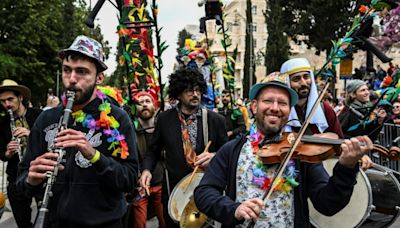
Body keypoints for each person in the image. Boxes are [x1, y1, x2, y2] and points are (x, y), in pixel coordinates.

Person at [194, 74, 373, 227]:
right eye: (268, 101)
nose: (275, 107)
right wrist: (234, 209)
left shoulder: (300, 152)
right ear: (254, 106)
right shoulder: (232, 150)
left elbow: (328, 204)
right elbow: (204, 192)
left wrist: (346, 168)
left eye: (282, 103)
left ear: (289, 110)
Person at [17, 35, 139, 227]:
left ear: (99, 77)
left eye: (81, 72)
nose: (72, 79)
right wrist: (30, 180)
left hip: (104, 223)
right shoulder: (46, 118)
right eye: (67, 70)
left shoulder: (118, 119)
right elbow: (22, 180)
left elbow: (130, 180)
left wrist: (94, 155)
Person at [139, 68, 228, 227]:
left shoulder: (215, 120)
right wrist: (146, 171)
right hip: (174, 192)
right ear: (178, 94)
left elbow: (228, 154)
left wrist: (214, 156)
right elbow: (153, 151)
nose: (195, 94)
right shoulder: (165, 119)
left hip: (205, 191)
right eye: (189, 90)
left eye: (197, 90)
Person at [280, 58, 372, 169]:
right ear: (287, 83)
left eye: (306, 77)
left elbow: (339, 143)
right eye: (296, 79)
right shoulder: (279, 110)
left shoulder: (325, 109)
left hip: (319, 170)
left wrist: (355, 154)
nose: (303, 83)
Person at [0, 79, 42, 228]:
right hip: (16, 176)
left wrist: (31, 134)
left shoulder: (39, 115)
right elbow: (1, 154)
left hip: (40, 172)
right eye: (3, 101)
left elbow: (51, 142)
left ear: (20, 97)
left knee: (46, 218)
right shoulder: (2, 123)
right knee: (22, 222)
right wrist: (7, 152)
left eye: (10, 99)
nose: (7, 105)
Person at [131, 91, 166, 228]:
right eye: (140, 102)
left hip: (160, 184)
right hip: (139, 186)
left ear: (155, 105)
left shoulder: (162, 127)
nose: (144, 105)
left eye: (147, 101)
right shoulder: (131, 129)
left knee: (165, 221)